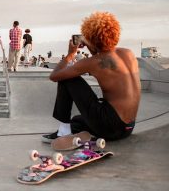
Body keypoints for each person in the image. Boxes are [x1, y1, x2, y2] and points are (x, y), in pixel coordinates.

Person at [42, 12, 140, 143]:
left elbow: (54, 76)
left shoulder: (94, 62)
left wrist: (70, 54)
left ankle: (63, 132)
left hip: (110, 127)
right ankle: (76, 129)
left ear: (92, 38)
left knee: (68, 79)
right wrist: (91, 44)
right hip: (127, 128)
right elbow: (104, 54)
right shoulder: (128, 53)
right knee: (77, 120)